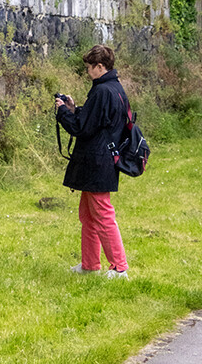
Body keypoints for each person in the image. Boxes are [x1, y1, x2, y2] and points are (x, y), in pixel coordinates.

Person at [55, 44, 130, 279]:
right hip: (100, 159)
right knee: (88, 216)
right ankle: (89, 264)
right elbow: (94, 121)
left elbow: (82, 128)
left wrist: (63, 113)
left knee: (103, 215)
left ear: (100, 66)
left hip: (98, 161)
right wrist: (74, 109)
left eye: (89, 67)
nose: (88, 72)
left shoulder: (102, 91)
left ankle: (119, 267)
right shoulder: (113, 88)